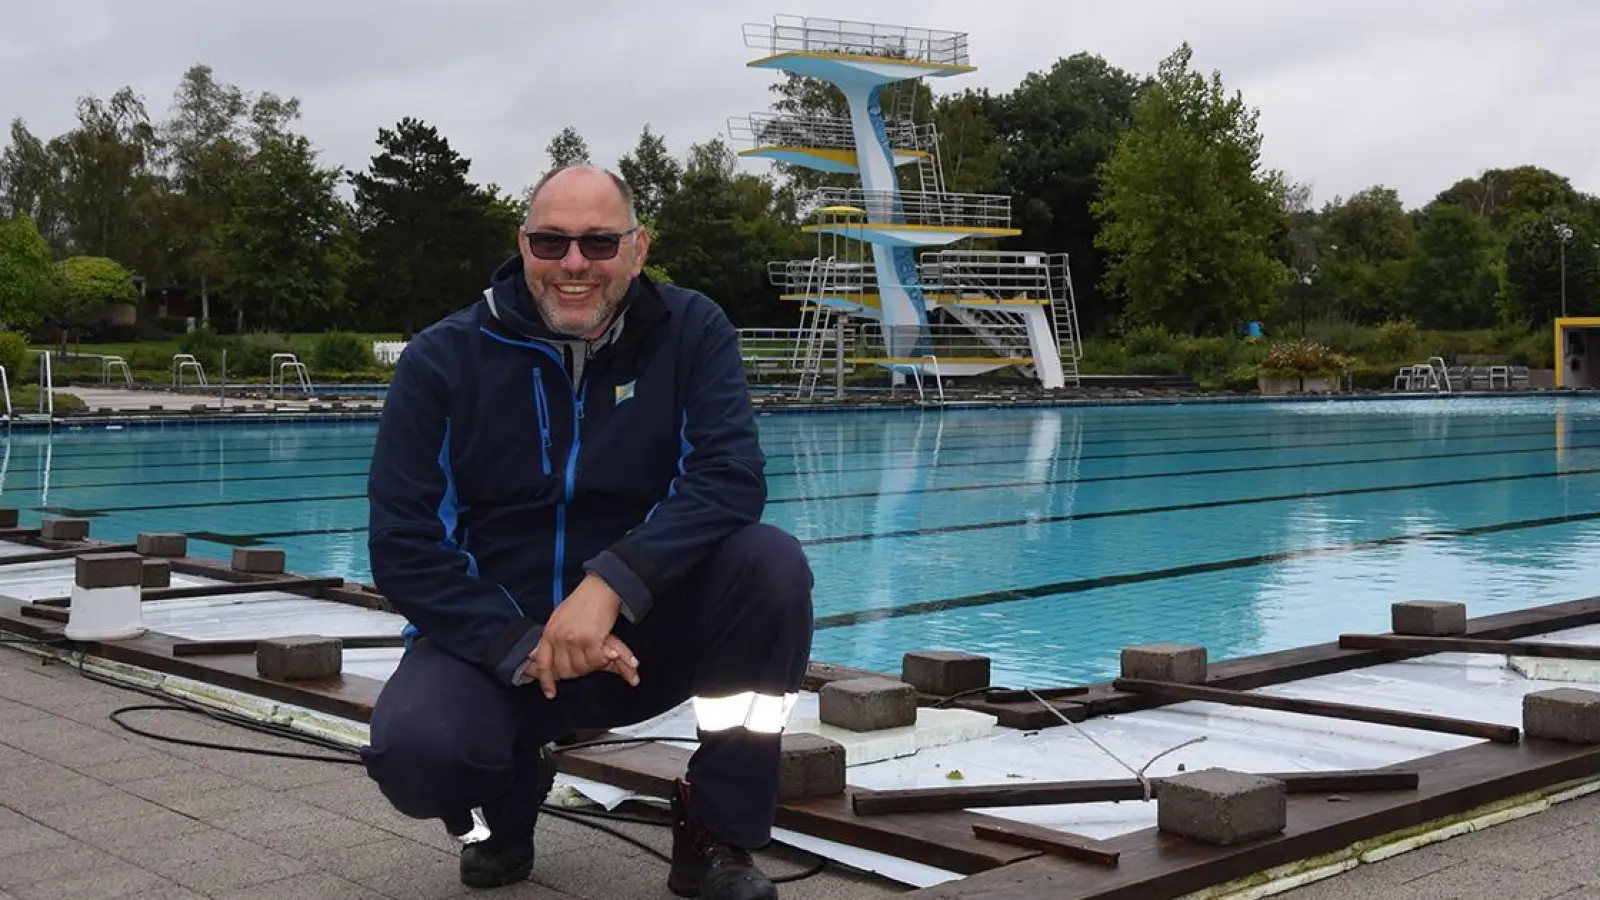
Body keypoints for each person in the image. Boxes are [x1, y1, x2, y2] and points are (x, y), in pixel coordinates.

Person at [360, 164, 815, 900]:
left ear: (639, 249)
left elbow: (730, 478)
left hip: (642, 640)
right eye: (553, 242)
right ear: (523, 245)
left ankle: (716, 829)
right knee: (417, 756)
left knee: (770, 566)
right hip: (495, 645)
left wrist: (610, 585)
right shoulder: (443, 360)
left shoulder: (692, 331)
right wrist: (519, 644)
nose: (575, 265)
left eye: (600, 244)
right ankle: (500, 814)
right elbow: (404, 546)